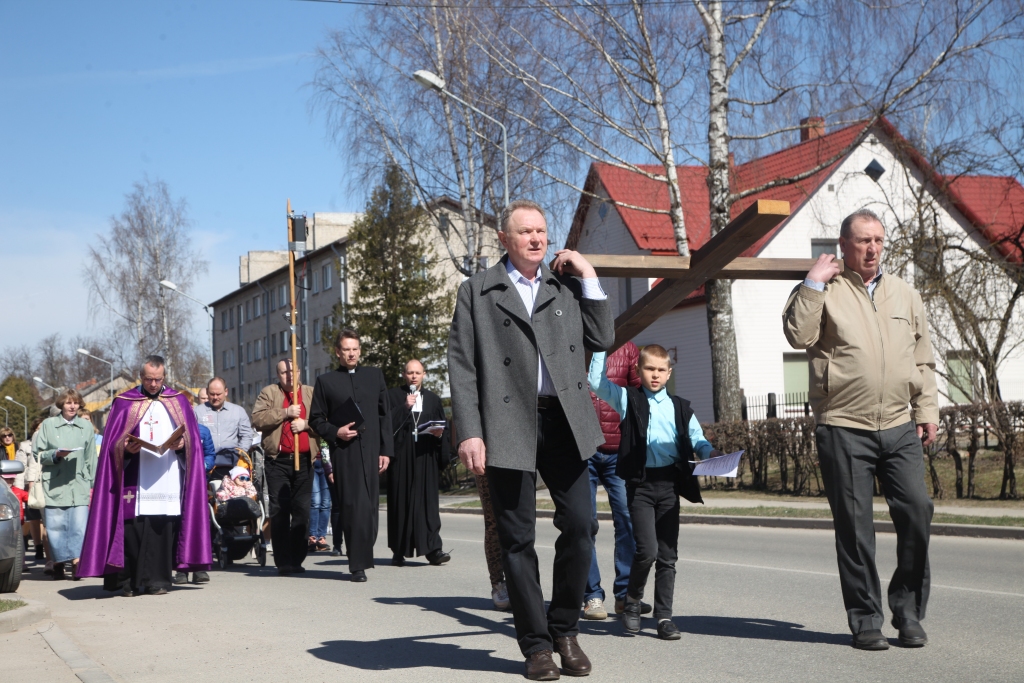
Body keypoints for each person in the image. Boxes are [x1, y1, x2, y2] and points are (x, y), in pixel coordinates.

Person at [448, 199, 614, 680]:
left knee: (581, 525)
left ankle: (565, 629)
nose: (537, 238)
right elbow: (462, 366)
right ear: (505, 239)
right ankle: (537, 646)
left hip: (564, 421)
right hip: (507, 423)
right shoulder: (477, 291)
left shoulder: (565, 286)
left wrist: (587, 272)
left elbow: (603, 337)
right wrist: (470, 432)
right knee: (517, 539)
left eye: (541, 231)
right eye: (525, 231)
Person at [783, 208, 939, 651]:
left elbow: (922, 358)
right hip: (843, 425)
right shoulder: (823, 289)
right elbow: (798, 336)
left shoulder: (905, 294)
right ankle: (866, 619)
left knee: (917, 511)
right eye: (864, 240)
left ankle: (908, 612)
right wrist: (813, 284)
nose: (873, 249)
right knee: (855, 528)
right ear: (844, 245)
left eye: (878, 240)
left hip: (899, 424)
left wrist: (926, 409)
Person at [589, 345, 721, 640]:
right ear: (639, 371)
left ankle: (664, 617)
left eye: (661, 370)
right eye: (650, 369)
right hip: (641, 486)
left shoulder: (680, 407)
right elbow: (596, 382)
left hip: (669, 485)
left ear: (669, 373)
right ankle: (632, 601)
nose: (655, 375)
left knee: (668, 556)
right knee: (646, 551)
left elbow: (697, 439)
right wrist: (600, 347)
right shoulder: (628, 399)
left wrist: (710, 453)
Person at [78, 356, 212, 596]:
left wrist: (183, 445)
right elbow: (111, 444)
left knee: (162, 528)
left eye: (158, 379)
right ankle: (129, 582)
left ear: (164, 377)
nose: (153, 384)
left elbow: (192, 440)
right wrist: (125, 448)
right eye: (149, 379)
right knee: (132, 528)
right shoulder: (124, 402)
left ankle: (157, 581)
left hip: (167, 475)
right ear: (141, 377)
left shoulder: (179, 401)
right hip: (134, 476)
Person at [310, 329, 393, 582]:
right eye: (346, 349)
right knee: (353, 507)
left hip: (372, 451)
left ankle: (362, 553)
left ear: (360, 350)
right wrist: (336, 432)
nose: (351, 353)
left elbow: (385, 415)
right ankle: (357, 565)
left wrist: (386, 450)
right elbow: (316, 419)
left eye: (355, 349)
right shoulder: (326, 382)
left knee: (370, 510)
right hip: (345, 453)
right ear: (338, 352)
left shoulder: (374, 375)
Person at [582, 341, 651, 622]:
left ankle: (625, 594)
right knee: (584, 524)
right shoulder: (569, 341)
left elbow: (641, 394)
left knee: (627, 519)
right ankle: (591, 595)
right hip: (581, 450)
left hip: (618, 451)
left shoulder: (627, 347)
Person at [252, 359, 316, 575]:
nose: (289, 375)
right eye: (284, 372)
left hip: (305, 461)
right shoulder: (269, 393)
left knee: (302, 511)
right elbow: (258, 419)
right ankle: (283, 561)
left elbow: (323, 421)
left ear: (299, 371)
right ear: (278, 375)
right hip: (277, 461)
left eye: (292, 371)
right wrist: (285, 412)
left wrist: (305, 424)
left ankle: (297, 559)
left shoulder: (310, 393)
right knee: (279, 510)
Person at [386, 359, 451, 567]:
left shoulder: (433, 399)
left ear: (424, 374)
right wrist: (404, 407)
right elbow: (385, 425)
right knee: (400, 503)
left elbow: (443, 427)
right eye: (410, 372)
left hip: (425, 456)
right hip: (402, 457)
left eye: (418, 372)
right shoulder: (392, 396)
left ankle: (433, 549)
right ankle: (399, 550)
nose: (414, 376)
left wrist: (439, 435)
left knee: (428, 504)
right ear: (403, 375)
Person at [35, 389, 98, 581]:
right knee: (56, 526)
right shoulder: (49, 425)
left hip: (79, 482)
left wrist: (93, 482)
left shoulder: (85, 426)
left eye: (76, 403)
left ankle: (77, 562)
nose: (72, 406)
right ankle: (58, 562)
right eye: (69, 403)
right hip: (55, 482)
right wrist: (55, 455)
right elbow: (38, 453)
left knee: (79, 526)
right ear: (61, 404)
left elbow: (91, 457)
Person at [194, 377, 254, 453]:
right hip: (205, 457)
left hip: (231, 457)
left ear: (226, 392)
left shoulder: (238, 411)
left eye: (218, 394)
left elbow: (247, 435)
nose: (215, 397)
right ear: (207, 391)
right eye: (212, 394)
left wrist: (240, 453)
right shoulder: (197, 412)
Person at [309, 443, 333, 553]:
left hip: (327, 464)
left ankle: (321, 537)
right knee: (315, 501)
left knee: (326, 503)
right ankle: (312, 537)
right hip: (313, 462)